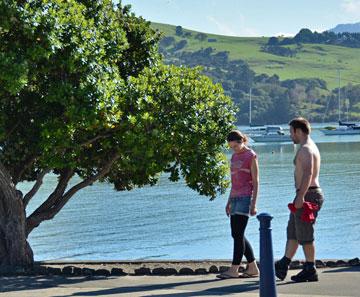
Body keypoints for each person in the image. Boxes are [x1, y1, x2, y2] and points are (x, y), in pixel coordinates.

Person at [275, 117, 324, 282]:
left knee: (305, 233)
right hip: (304, 193)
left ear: (298, 130)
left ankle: (310, 268)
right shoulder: (308, 147)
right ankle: (284, 263)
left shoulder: (306, 149)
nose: (290, 135)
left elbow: (309, 173)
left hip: (308, 194)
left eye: (291, 132)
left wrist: (301, 196)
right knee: (293, 231)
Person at [217, 130, 259, 279]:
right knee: (237, 234)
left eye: (234, 146)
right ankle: (253, 267)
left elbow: (256, 181)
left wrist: (253, 204)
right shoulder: (234, 156)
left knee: (237, 234)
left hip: (245, 198)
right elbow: (234, 182)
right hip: (234, 198)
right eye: (231, 147)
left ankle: (234, 269)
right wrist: (228, 201)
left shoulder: (250, 156)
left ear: (242, 141)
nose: (233, 149)